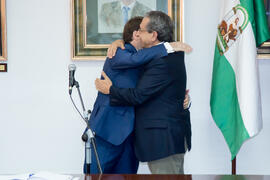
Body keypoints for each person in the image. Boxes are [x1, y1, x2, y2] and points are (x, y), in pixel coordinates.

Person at [88, 16, 191, 174]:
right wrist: (117, 42)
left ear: (153, 35)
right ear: (136, 34)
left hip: (141, 135)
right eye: (141, 31)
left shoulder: (156, 58)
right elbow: (137, 68)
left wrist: (182, 99)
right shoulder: (120, 53)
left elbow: (144, 93)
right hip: (111, 130)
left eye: (144, 31)